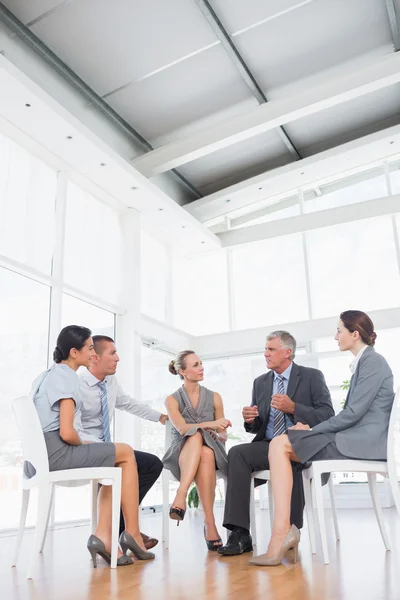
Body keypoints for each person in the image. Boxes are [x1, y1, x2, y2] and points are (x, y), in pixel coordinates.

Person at [249, 311, 394, 566]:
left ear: (355, 334)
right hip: (354, 438)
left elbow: (353, 414)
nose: (336, 336)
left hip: (361, 443)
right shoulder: (364, 361)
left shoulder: (372, 362)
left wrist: (313, 431)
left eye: (339, 331)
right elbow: (353, 414)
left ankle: (282, 534)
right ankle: (284, 532)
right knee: (280, 444)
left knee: (280, 443)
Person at [30, 325, 155, 567]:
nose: (92, 354)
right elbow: (67, 432)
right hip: (57, 453)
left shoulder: (47, 375)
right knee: (126, 453)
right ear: (74, 353)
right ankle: (131, 535)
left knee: (115, 460)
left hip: (41, 455)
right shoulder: (67, 376)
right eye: (89, 349)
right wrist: (81, 442)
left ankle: (104, 536)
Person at [218, 330, 334, 557]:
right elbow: (258, 426)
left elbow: (328, 416)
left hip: (299, 444)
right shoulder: (260, 382)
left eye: (271, 349)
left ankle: (290, 531)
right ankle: (239, 533)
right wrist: (250, 420)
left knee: (288, 457)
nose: (266, 354)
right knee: (237, 453)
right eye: (265, 349)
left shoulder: (311, 376)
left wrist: (294, 408)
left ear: (287, 352)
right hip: (267, 442)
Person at [76, 334, 166, 549]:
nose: (118, 358)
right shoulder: (77, 386)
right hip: (86, 449)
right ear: (95, 357)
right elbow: (75, 431)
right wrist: (103, 448)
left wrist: (160, 417)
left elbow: (127, 403)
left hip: (105, 449)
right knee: (121, 462)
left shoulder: (109, 381)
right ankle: (124, 533)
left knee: (151, 464)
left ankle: (122, 528)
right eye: (113, 353)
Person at [162, 350, 232, 550]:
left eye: (201, 363)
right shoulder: (172, 400)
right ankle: (210, 524)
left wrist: (218, 432)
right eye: (195, 365)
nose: (201, 368)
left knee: (207, 451)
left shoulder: (215, 397)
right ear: (182, 371)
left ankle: (180, 496)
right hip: (181, 452)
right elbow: (183, 429)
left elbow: (223, 435)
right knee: (194, 436)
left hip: (212, 448)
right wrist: (211, 424)